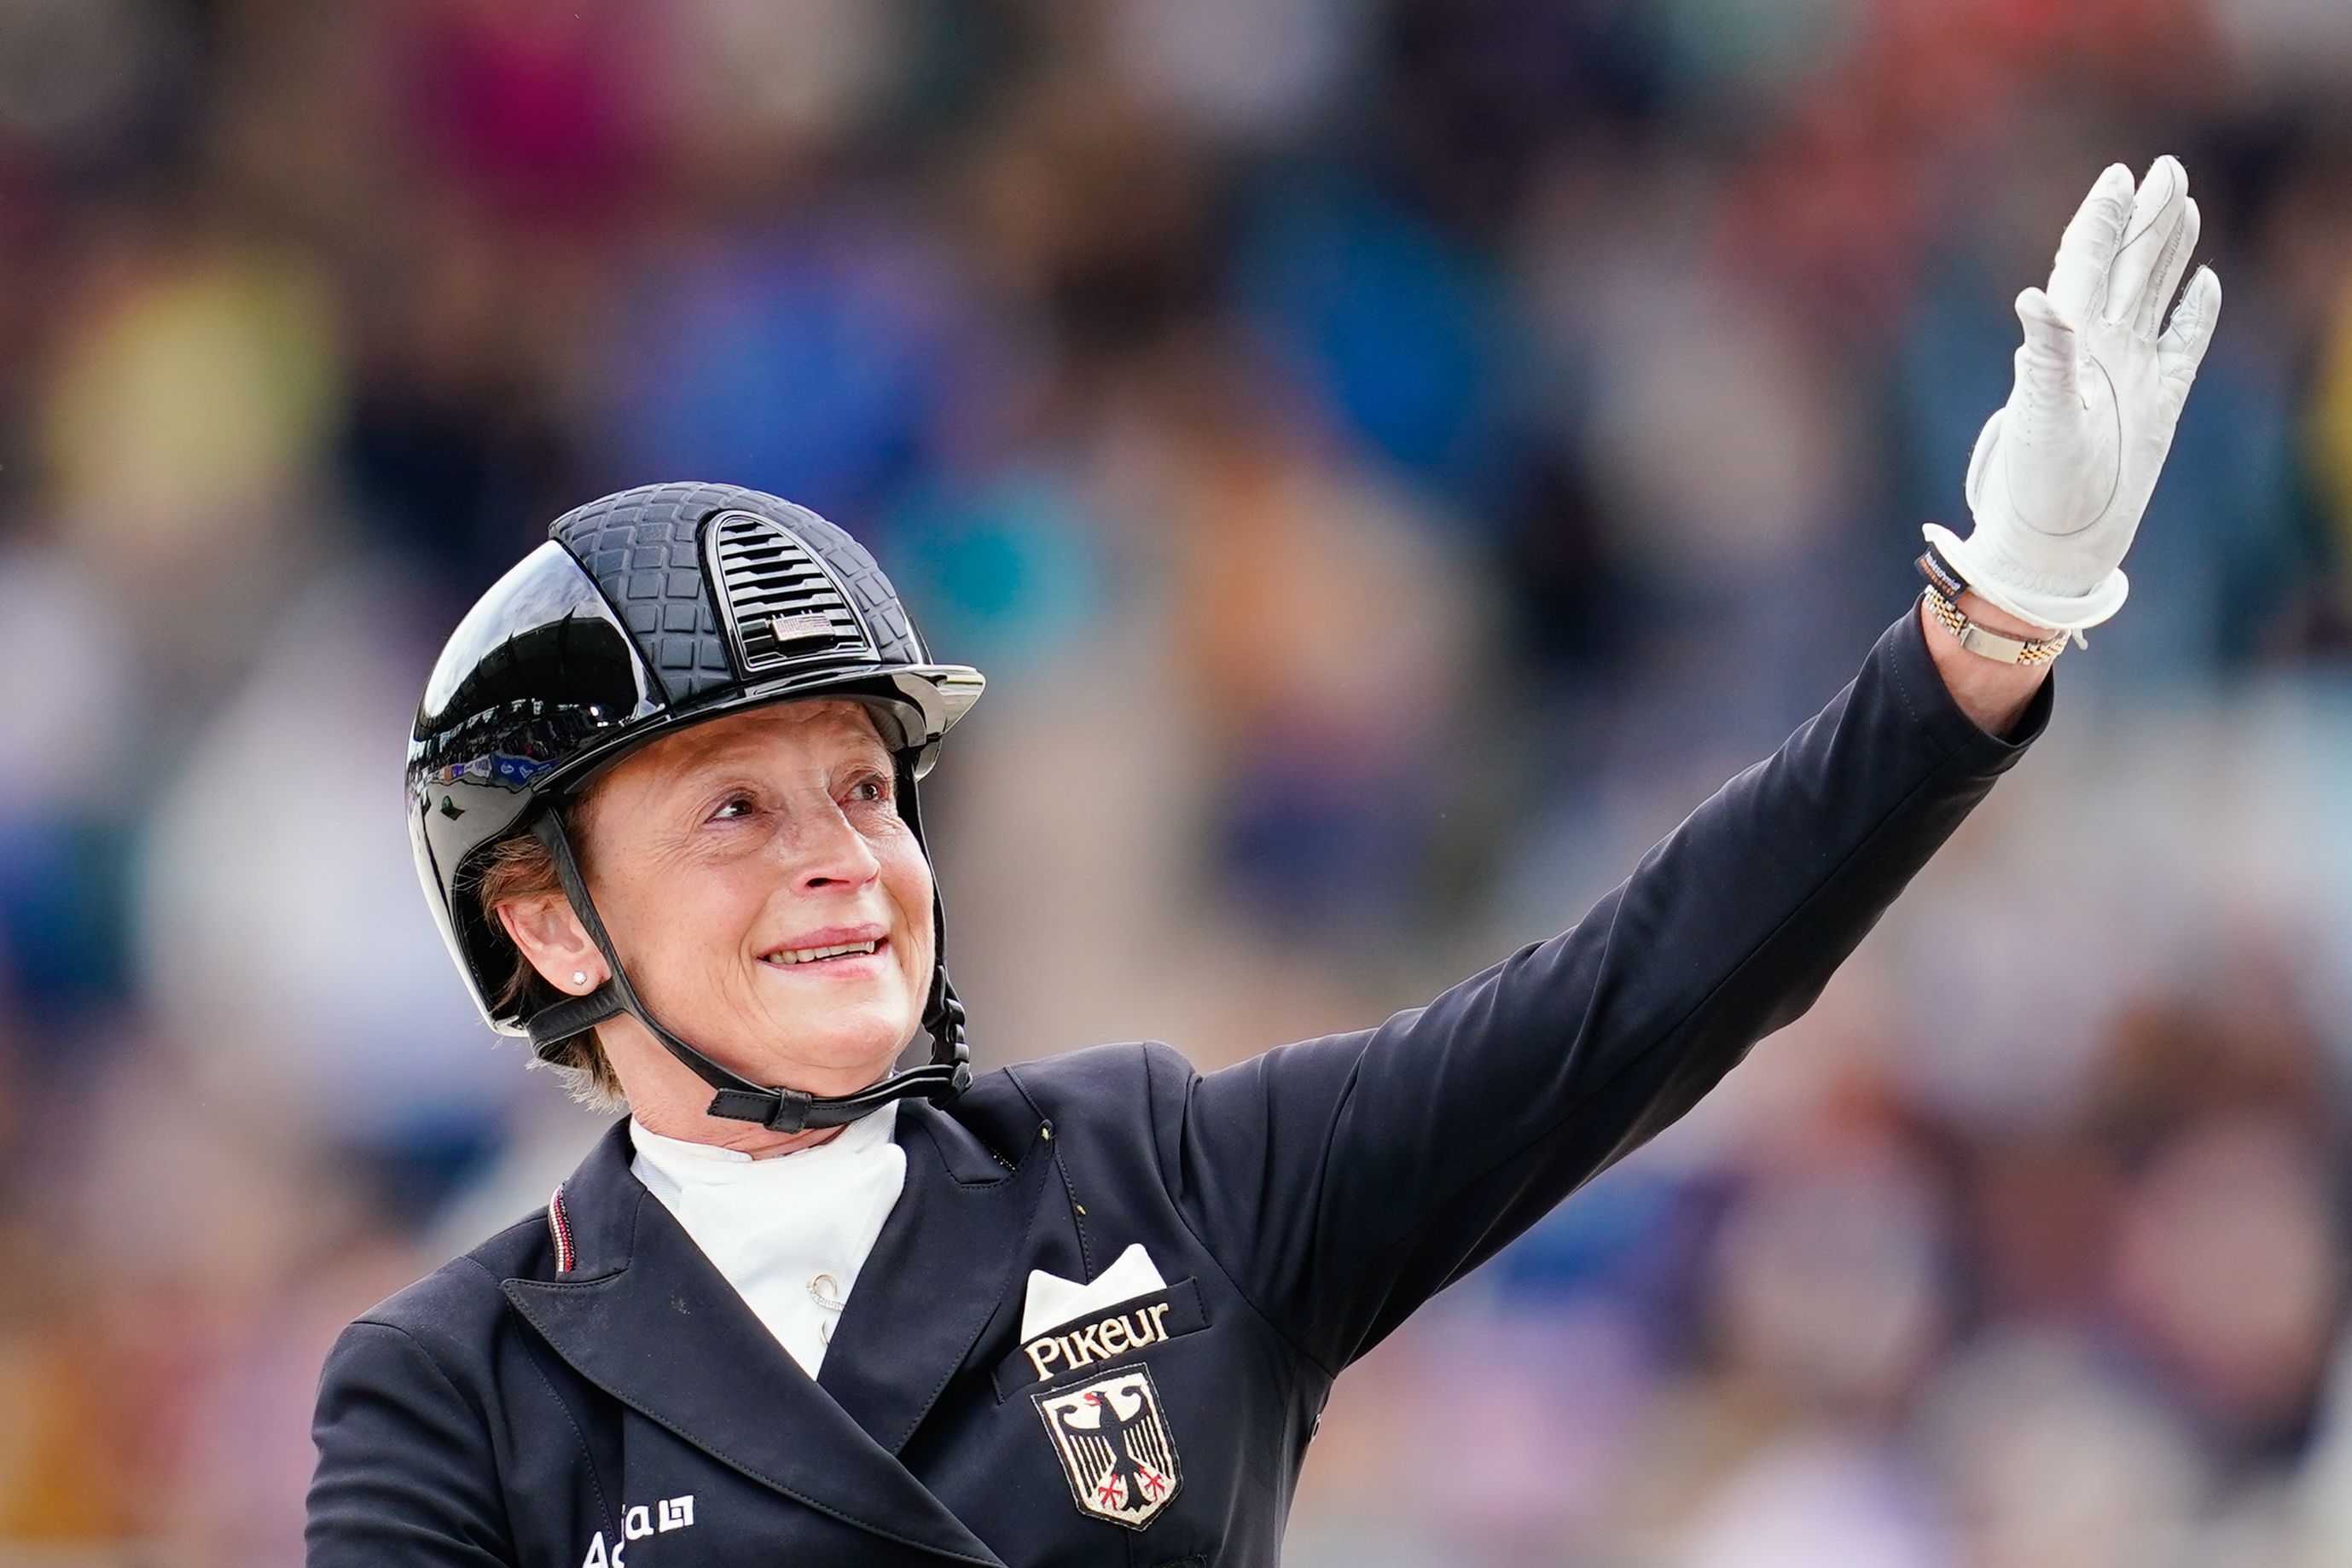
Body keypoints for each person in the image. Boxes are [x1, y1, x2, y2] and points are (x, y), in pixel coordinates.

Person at [308, 158, 2220, 1565]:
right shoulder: (452, 1384)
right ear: (548, 918)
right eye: (735, 810)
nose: (843, 862)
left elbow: (1638, 988)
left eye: (864, 792)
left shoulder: (1166, 1183)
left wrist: (1984, 637)